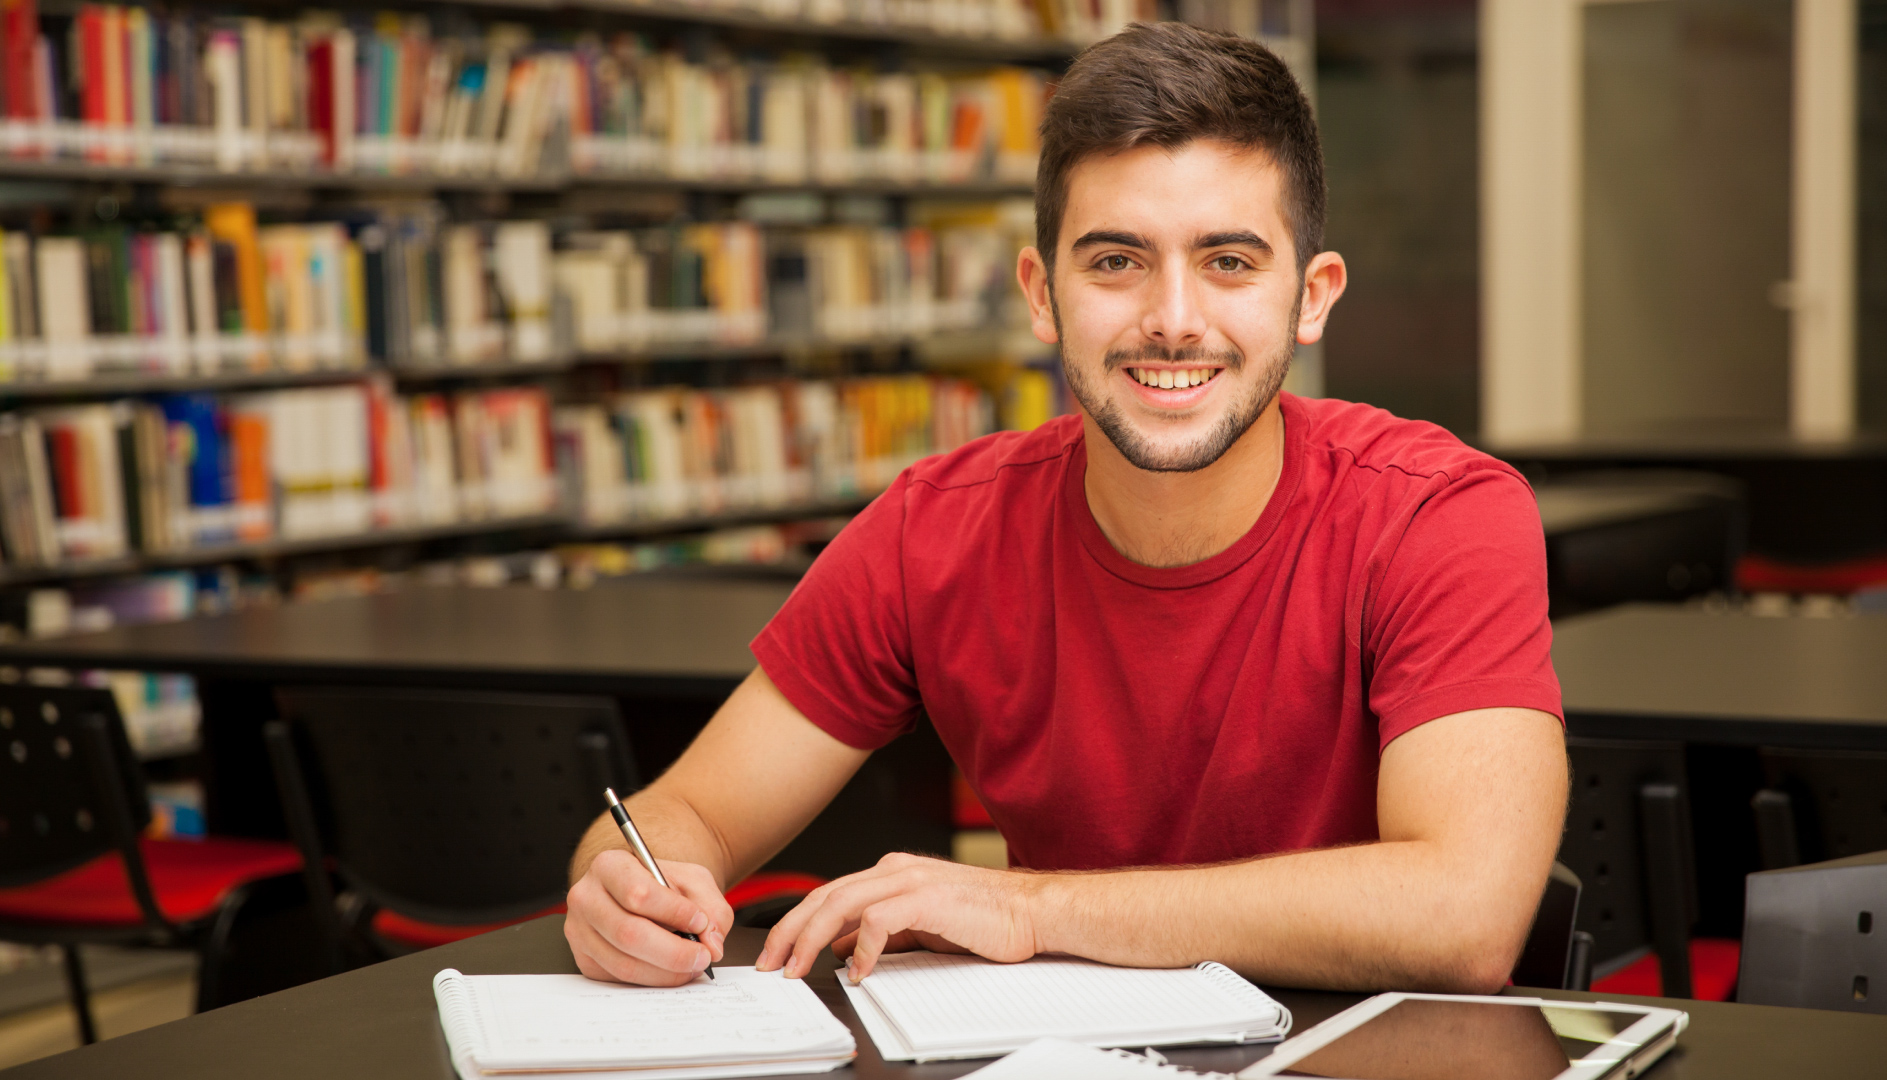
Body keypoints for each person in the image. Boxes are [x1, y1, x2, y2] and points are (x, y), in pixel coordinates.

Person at [565, 21, 1567, 995]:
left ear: (1311, 295)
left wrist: (1034, 910)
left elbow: (1464, 915)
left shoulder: (1439, 516)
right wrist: (621, 888)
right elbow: (679, 814)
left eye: (1228, 261)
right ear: (1042, 294)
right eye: (1116, 261)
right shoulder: (934, 532)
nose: (1174, 321)